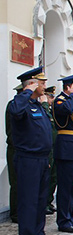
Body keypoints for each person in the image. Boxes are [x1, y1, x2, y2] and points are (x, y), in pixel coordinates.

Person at [9, 66, 56, 235]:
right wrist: (25, 92)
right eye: (41, 82)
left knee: (40, 200)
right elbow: (15, 112)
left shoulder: (38, 105)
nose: (44, 85)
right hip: (28, 159)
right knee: (28, 201)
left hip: (42, 159)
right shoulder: (20, 104)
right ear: (31, 84)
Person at [52, 71, 73, 233]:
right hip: (66, 148)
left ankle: (70, 217)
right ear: (69, 86)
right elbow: (66, 110)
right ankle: (63, 220)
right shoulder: (60, 101)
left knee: (72, 186)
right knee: (65, 187)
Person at [6, 83, 24, 223]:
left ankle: (22, 210)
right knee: (16, 182)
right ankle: (16, 213)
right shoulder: (14, 106)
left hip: (24, 150)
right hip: (15, 149)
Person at [41, 86, 58, 215]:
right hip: (47, 149)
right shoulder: (43, 109)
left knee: (53, 177)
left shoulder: (52, 111)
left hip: (54, 148)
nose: (52, 99)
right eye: (50, 96)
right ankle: (44, 203)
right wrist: (45, 105)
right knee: (46, 178)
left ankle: (49, 201)